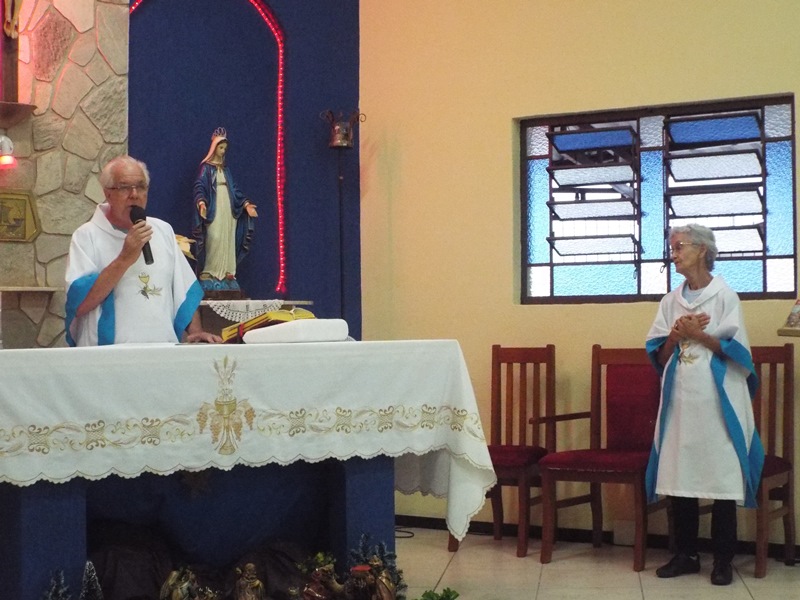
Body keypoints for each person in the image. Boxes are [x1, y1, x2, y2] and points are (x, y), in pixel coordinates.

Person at [645, 224, 763, 586]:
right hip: (681, 403)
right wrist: (676, 335)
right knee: (681, 475)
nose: (674, 254)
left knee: (720, 476)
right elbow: (660, 357)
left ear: (702, 250)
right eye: (672, 247)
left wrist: (699, 335)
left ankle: (723, 560)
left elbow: (738, 354)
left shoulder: (725, 297)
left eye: (679, 246)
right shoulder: (670, 302)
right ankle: (686, 555)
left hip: (717, 401)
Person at [65, 155, 222, 346]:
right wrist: (124, 258)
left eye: (140, 187)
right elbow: (79, 305)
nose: (134, 194)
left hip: (161, 350)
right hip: (109, 353)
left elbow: (184, 290)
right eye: (125, 187)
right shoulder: (86, 236)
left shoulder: (163, 231)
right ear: (108, 193)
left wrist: (196, 333)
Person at [192, 128, 257, 293]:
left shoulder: (225, 169)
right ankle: (210, 271)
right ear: (214, 148)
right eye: (220, 148)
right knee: (214, 236)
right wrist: (201, 202)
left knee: (227, 238)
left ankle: (228, 272)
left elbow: (234, 189)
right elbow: (199, 186)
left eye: (225, 149)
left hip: (227, 207)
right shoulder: (206, 168)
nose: (223, 151)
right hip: (214, 207)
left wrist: (246, 204)